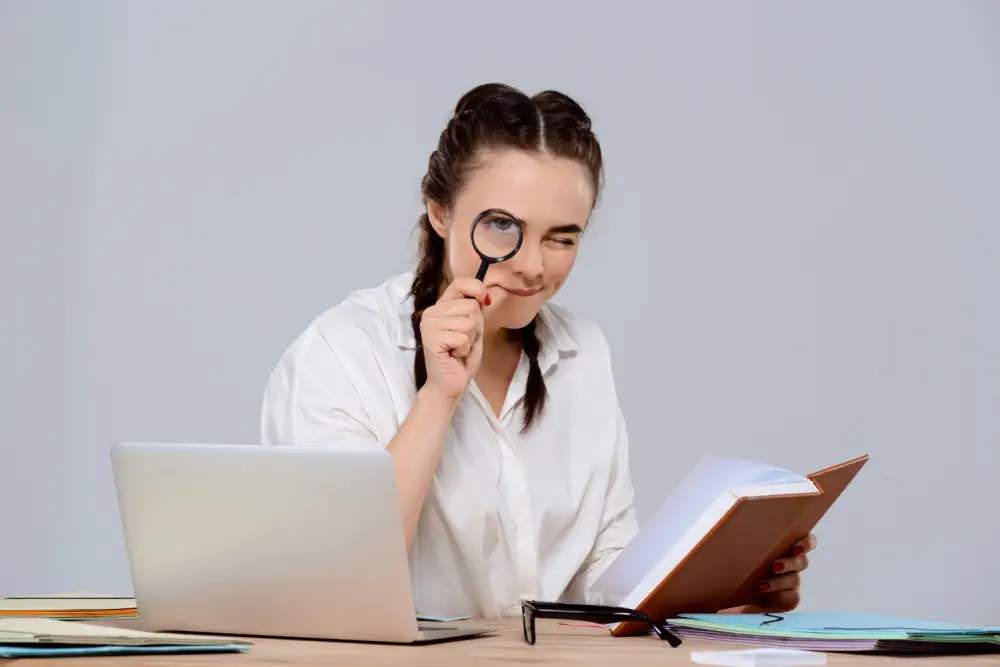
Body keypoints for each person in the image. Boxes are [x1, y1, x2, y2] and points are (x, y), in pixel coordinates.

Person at [260, 82, 815, 619]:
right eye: (503, 225)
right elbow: (339, 578)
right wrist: (438, 397)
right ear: (440, 212)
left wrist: (728, 599)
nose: (532, 265)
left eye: (562, 237)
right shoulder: (341, 352)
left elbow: (603, 585)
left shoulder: (583, 353)